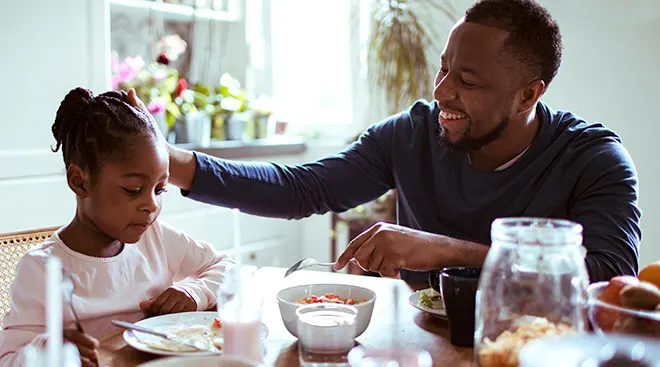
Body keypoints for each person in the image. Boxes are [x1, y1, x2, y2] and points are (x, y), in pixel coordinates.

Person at [130, 0, 640, 284]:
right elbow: (303, 189)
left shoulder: (595, 160)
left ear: (529, 94)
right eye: (443, 70)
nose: (442, 92)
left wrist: (440, 251)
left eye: (469, 80)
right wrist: (168, 160)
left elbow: (608, 273)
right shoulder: (413, 134)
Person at [0, 88, 233, 367]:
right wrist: (53, 348)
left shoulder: (156, 238)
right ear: (80, 182)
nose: (152, 205)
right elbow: (9, 357)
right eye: (133, 190)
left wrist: (194, 293)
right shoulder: (41, 268)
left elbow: (226, 268)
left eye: (160, 189)